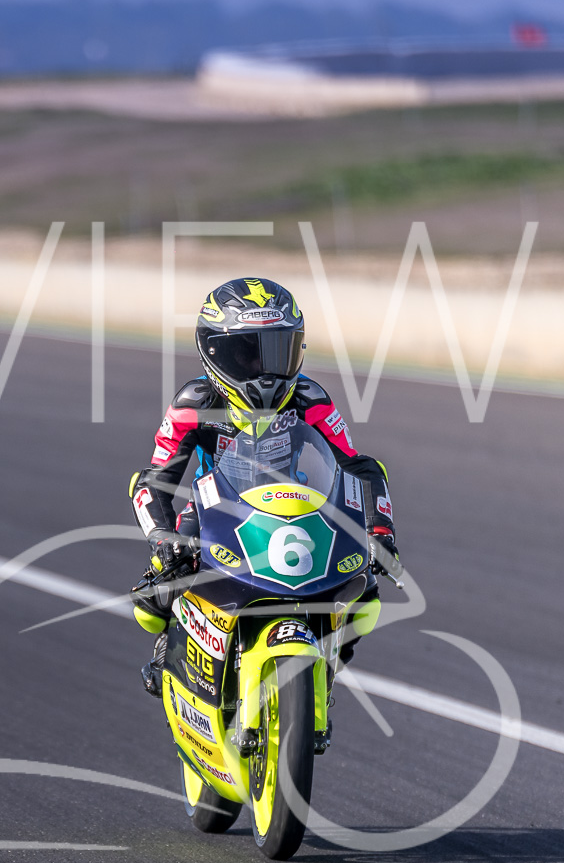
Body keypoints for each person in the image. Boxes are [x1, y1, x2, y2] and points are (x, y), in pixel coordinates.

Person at [128, 276, 398, 700]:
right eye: (247, 354)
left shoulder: (310, 399)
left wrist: (379, 531)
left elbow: (359, 467)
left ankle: (323, 668)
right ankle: (173, 647)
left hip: (301, 507)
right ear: (214, 352)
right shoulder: (193, 404)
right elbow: (154, 481)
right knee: (157, 597)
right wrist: (163, 538)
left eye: (276, 352)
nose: (265, 372)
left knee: (364, 593)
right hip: (215, 508)